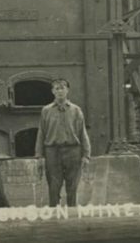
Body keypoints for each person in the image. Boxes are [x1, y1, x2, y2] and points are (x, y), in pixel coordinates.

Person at [35, 78, 90, 207]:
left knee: (72, 188)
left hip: (72, 152)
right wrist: (39, 156)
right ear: (52, 91)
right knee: (54, 187)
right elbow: (41, 133)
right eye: (57, 88)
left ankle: (72, 219)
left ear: (67, 90)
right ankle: (54, 218)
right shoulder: (46, 111)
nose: (60, 91)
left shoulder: (76, 110)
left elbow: (82, 133)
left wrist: (86, 155)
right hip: (53, 152)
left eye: (62, 88)